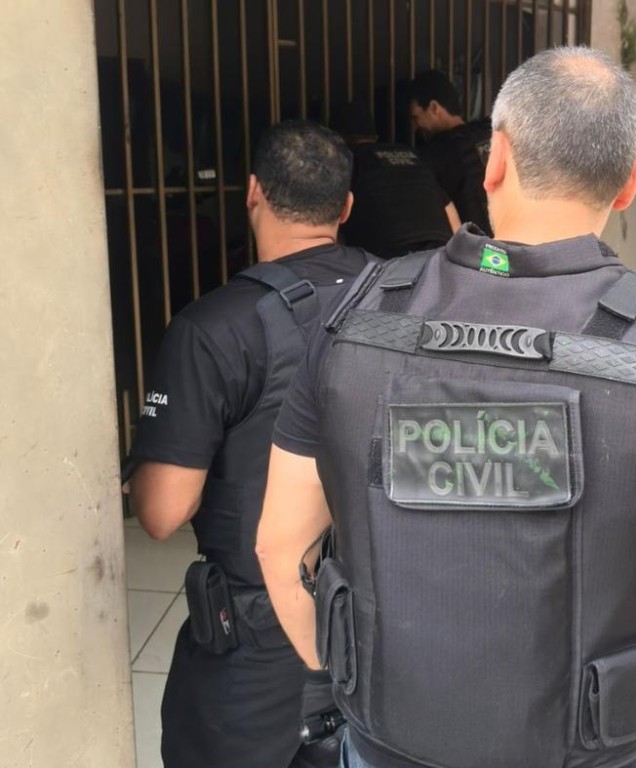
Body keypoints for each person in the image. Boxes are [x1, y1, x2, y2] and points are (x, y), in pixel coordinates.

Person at [258, 48, 636, 768]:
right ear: (629, 184)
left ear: (494, 160)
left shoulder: (357, 311)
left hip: (382, 744)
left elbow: (280, 547)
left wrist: (351, 677)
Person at [123, 120, 371, 768]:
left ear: (253, 192)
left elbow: (162, 512)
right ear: (345, 208)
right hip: (385, 623)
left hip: (258, 643)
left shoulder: (214, 327)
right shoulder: (406, 304)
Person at [334, 101, 459, 259]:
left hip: (389, 259)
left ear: (338, 140)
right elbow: (449, 210)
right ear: (375, 136)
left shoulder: (346, 163)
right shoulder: (413, 156)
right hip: (439, 251)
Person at [408, 69, 493, 235]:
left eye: (416, 117)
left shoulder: (436, 152)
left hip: (475, 243)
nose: (415, 126)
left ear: (434, 108)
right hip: (516, 237)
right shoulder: (490, 132)